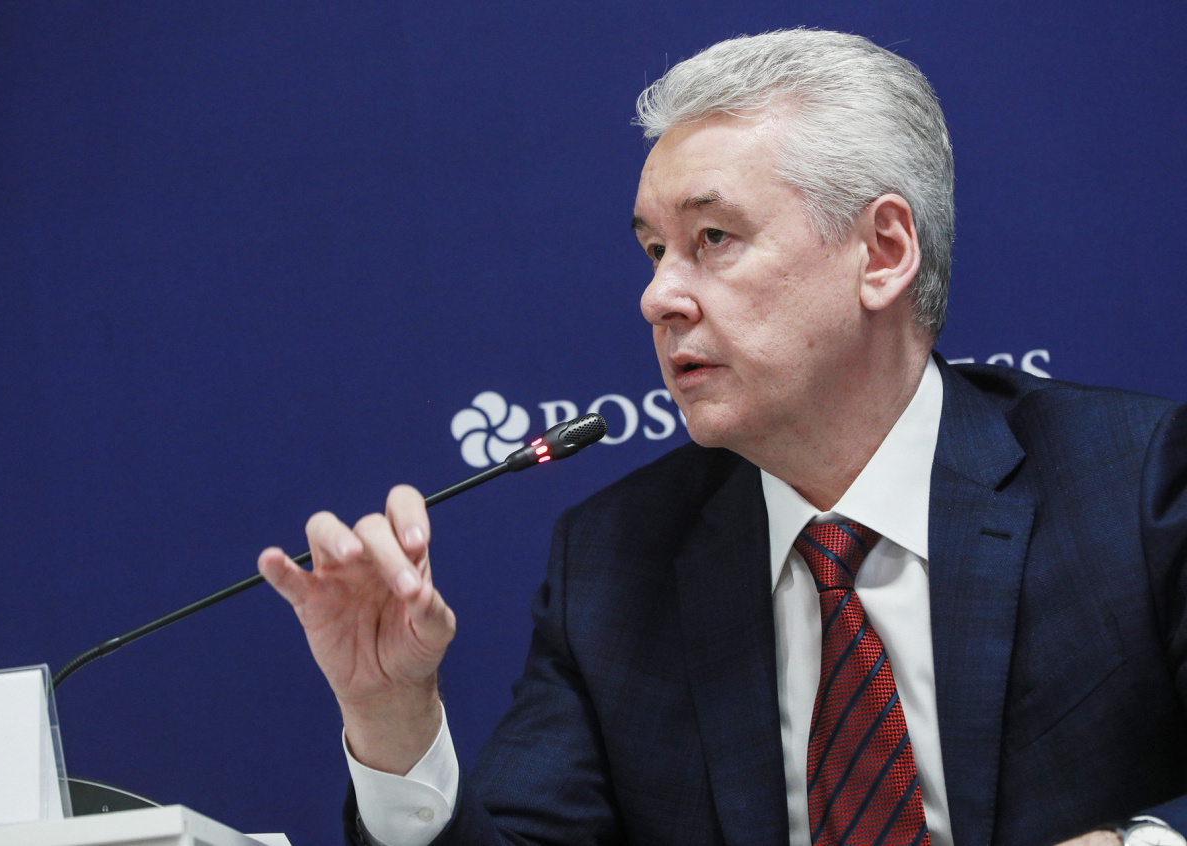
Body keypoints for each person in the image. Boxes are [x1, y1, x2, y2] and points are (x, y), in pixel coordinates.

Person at [258, 29, 1187, 846]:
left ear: (883, 252)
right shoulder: (616, 564)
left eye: (712, 238)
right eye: (653, 250)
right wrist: (392, 718)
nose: (657, 296)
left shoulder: (1132, 489)